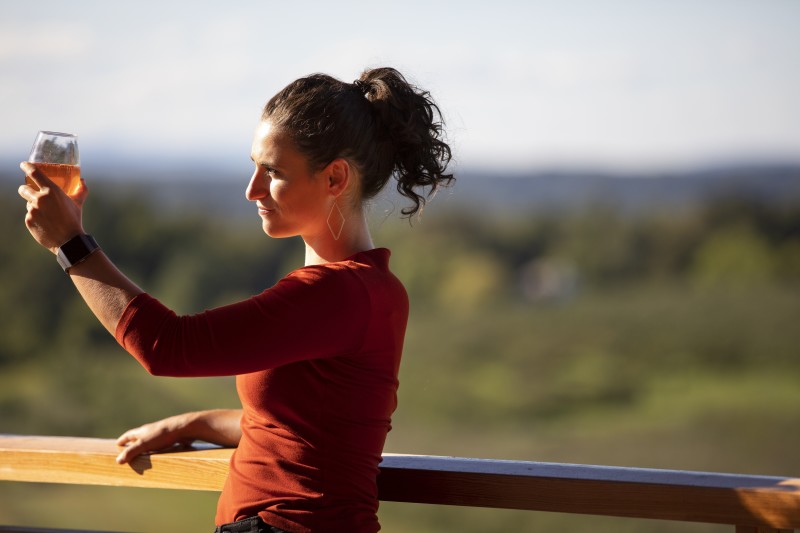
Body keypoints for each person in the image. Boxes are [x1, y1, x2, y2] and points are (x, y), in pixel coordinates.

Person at [18, 67, 453, 533]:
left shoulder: (337, 294)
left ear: (335, 178)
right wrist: (193, 423)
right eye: (254, 166)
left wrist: (71, 245)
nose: (252, 190)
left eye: (273, 171)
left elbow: (167, 345)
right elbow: (300, 429)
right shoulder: (372, 289)